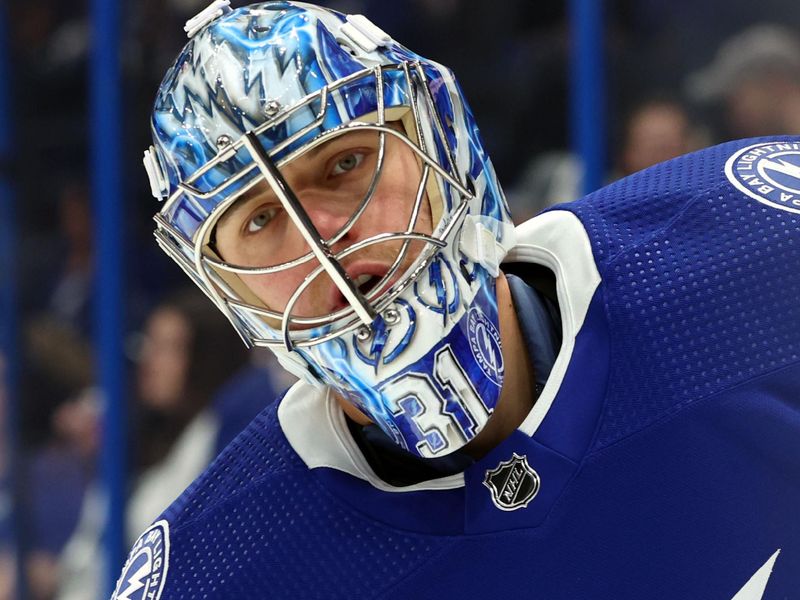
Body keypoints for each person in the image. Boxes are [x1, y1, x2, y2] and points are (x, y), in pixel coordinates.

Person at [114, 2, 800, 598]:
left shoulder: (756, 243)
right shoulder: (215, 575)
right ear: (224, 285)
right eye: (260, 219)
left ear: (442, 138)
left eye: (345, 163)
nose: (320, 234)